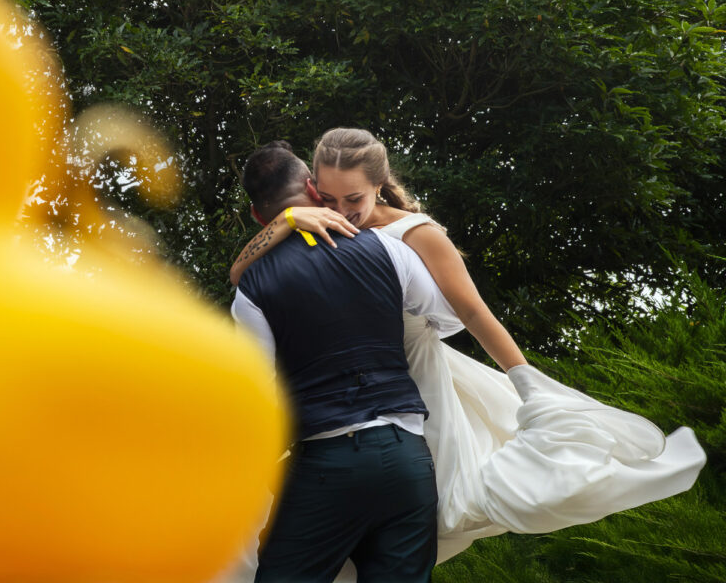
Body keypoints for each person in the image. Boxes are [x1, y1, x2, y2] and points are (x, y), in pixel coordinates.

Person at [231, 128, 707, 568]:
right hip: (355, 403)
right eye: (329, 198)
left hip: (412, 384)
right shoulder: (315, 228)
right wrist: (293, 219)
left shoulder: (413, 235)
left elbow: (472, 315)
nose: (342, 208)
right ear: (313, 189)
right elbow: (240, 274)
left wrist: (528, 384)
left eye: (353, 198)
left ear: (379, 185)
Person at [231, 140, 517, 582]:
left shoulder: (252, 288)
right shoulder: (387, 248)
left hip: (324, 464)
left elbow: (255, 396)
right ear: (313, 187)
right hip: (407, 460)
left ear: (257, 217)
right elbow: (441, 318)